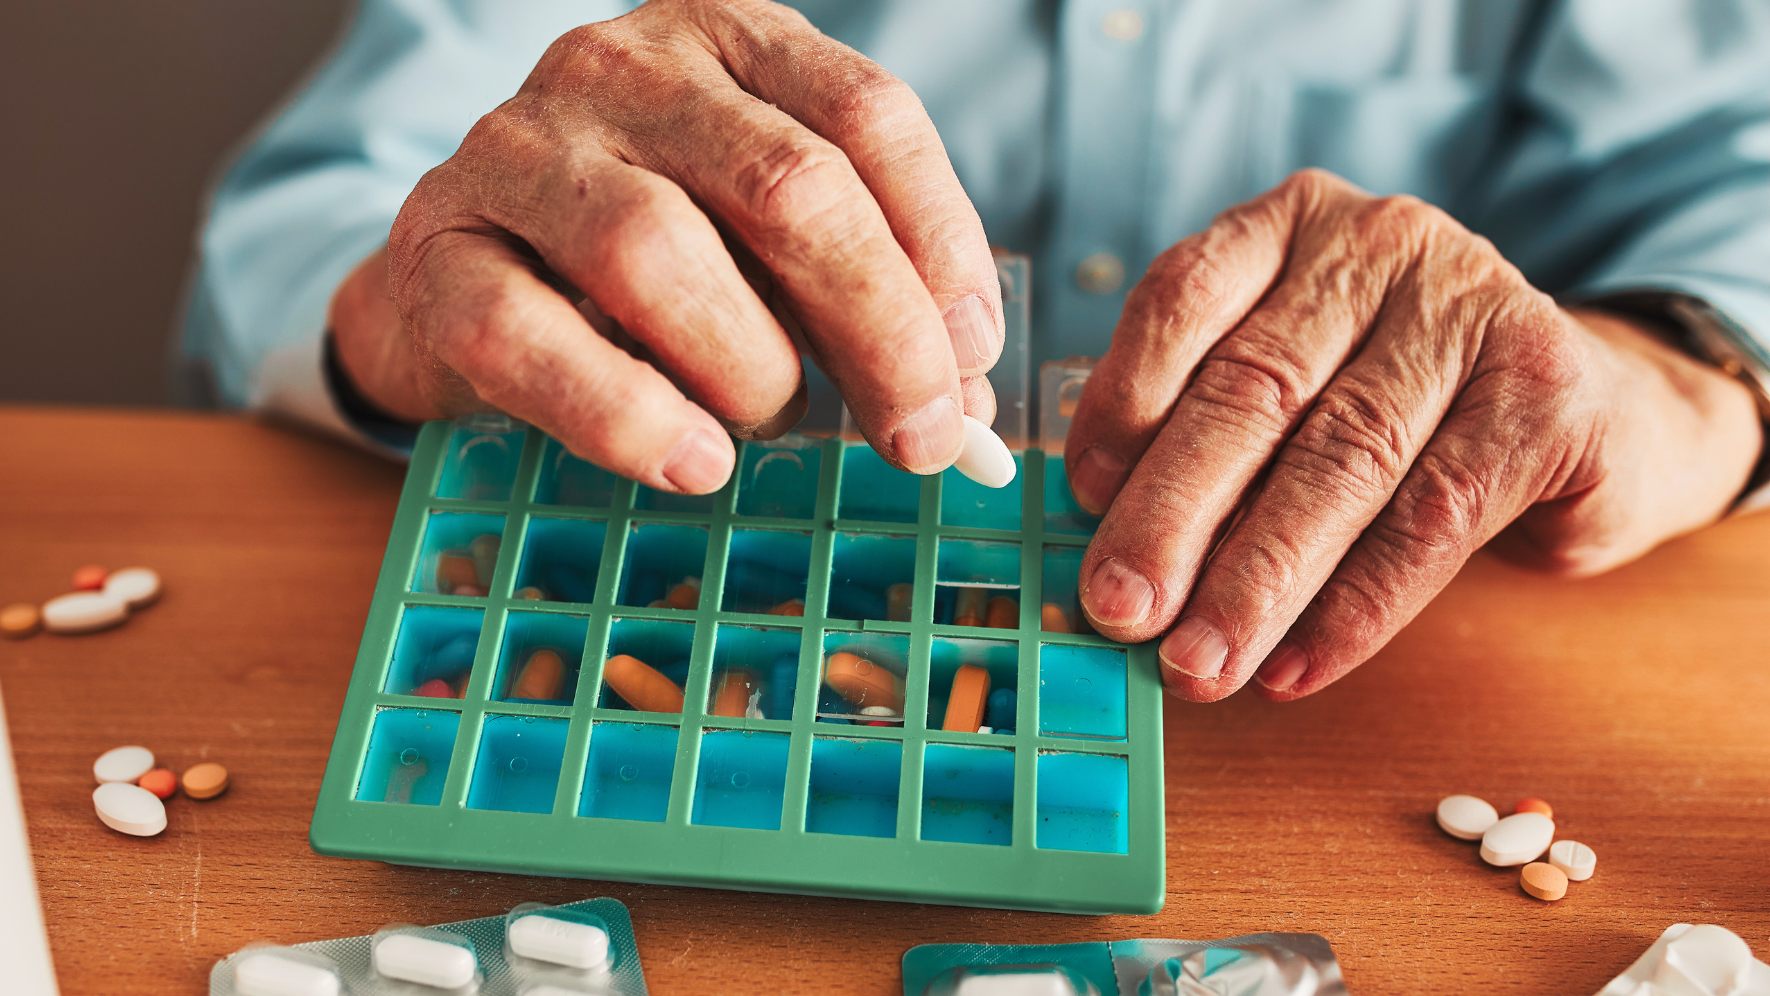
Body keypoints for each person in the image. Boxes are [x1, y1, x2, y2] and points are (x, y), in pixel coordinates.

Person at [180, 0, 1770, 703]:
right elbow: (311, 210)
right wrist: (423, 293)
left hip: (1369, 705)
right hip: (706, 586)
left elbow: (1737, 186)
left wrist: (1674, 378)